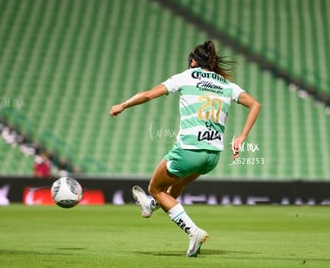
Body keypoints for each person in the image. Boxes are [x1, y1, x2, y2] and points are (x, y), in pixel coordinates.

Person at [109, 41, 261, 257]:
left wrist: (122, 105)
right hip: (212, 156)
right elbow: (256, 104)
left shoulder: (187, 76)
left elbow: (147, 95)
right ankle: (152, 205)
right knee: (175, 189)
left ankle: (192, 231)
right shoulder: (228, 85)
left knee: (155, 187)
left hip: (189, 150)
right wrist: (241, 137)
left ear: (193, 61)